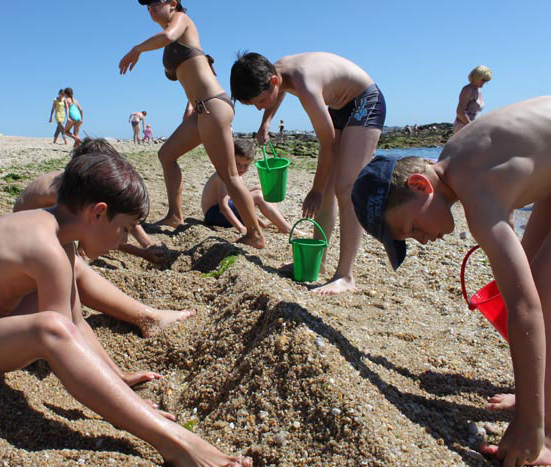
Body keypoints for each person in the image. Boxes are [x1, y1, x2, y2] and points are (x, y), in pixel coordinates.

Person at [0, 152, 251, 466]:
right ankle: (176, 443)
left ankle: (148, 416)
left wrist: (118, 379)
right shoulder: (47, 249)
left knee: (63, 312)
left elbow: (76, 322)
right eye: (123, 228)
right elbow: (60, 340)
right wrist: (136, 411)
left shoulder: (56, 234)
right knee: (51, 329)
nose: (122, 241)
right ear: (97, 213)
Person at [350, 97, 551, 467]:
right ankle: (537, 401)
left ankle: (541, 432)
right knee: (537, 286)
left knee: (539, 299)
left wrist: (527, 422)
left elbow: (525, 308)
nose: (421, 240)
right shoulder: (455, 156)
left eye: (411, 229)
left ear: (419, 185)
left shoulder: (475, 189)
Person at [230, 52, 386, 294]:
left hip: (365, 102)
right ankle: (319, 262)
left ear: (271, 81)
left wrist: (316, 190)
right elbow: (279, 91)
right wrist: (266, 121)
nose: (260, 107)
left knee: (345, 189)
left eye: (260, 101)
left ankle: (346, 275)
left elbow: (328, 144)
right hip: (340, 105)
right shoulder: (277, 71)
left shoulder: (305, 84)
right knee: (328, 192)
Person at [119, 0, 265, 249]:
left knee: (229, 175)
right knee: (166, 154)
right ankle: (175, 215)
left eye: (156, 2)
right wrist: (190, 107)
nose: (151, 8)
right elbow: (200, 72)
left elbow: (167, 36)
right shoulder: (179, 38)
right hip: (202, 109)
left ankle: (255, 234)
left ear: (173, 3)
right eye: (147, 6)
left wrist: (137, 49)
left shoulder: (182, 21)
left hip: (213, 106)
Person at [14, 137, 168, 267]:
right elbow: (104, 233)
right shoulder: (65, 193)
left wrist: (147, 244)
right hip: (27, 234)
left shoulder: (76, 186)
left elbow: (123, 214)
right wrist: (141, 252)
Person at [202, 139, 291, 234]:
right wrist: (240, 227)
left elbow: (244, 204)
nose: (241, 168)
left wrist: (261, 223)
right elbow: (224, 206)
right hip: (215, 215)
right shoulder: (224, 175)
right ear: (230, 159)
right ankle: (287, 229)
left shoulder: (237, 177)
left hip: (226, 213)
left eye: (245, 165)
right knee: (257, 195)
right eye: (238, 164)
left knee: (259, 188)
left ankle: (280, 223)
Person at [453, 65, 492, 134]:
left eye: (486, 80)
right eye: (483, 80)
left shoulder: (478, 90)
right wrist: (470, 126)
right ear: (476, 77)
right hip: (464, 127)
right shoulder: (467, 90)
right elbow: (460, 112)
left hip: (473, 127)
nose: (484, 82)